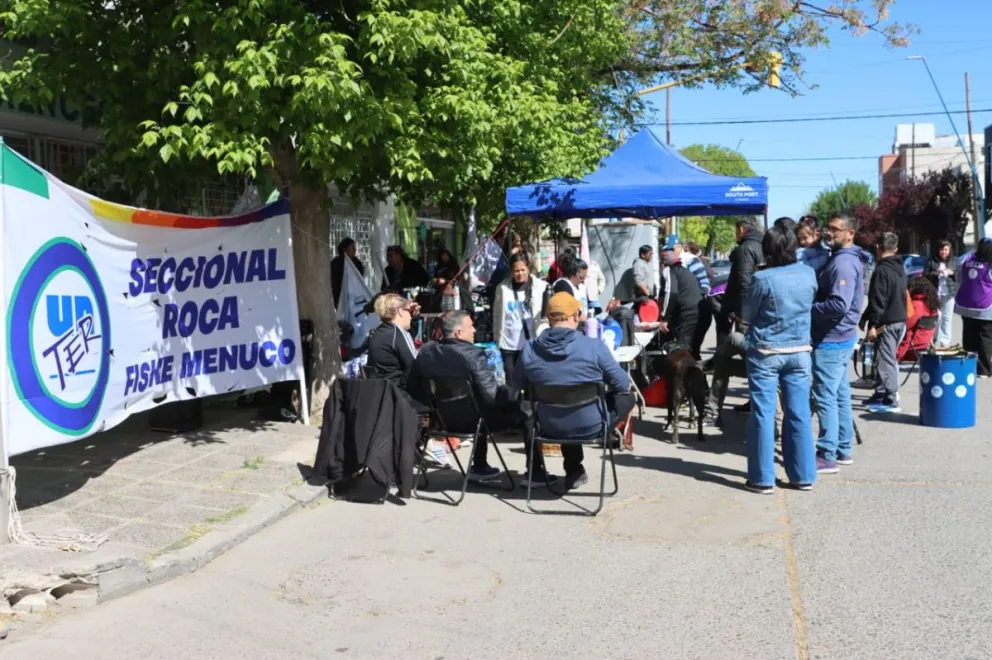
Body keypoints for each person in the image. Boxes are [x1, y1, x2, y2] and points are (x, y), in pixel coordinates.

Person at [512, 292, 635, 490]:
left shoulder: (530, 350)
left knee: (563, 406)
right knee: (628, 397)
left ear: (550, 319)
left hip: (550, 424)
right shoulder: (594, 347)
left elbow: (516, 386)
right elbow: (622, 385)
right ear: (575, 316)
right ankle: (576, 466)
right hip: (591, 424)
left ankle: (573, 469)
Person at [741, 224, 818, 494]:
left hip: (765, 351)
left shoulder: (763, 279)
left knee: (763, 414)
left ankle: (762, 479)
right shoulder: (808, 274)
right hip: (799, 351)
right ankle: (803, 475)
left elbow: (747, 314)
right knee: (798, 414)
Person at [408, 310, 526, 483]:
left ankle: (480, 465)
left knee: (475, 402)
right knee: (528, 414)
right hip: (473, 421)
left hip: (442, 421)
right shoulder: (473, 354)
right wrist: (515, 393)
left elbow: (415, 387)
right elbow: (492, 397)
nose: (475, 330)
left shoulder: (426, 352)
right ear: (459, 333)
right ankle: (535, 474)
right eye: (470, 326)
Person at [810, 214, 864, 474]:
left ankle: (826, 453)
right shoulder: (845, 258)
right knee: (840, 394)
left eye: (835, 229)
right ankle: (843, 448)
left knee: (825, 396)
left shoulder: (843, 263)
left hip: (832, 339)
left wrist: (808, 309)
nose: (829, 233)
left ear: (850, 233)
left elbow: (839, 305)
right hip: (842, 338)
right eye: (828, 228)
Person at [708, 217, 763, 417]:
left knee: (743, 359)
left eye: (735, 230)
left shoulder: (745, 249)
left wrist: (743, 314)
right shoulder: (761, 245)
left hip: (746, 316)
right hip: (756, 314)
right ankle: (753, 401)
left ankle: (714, 410)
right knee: (750, 360)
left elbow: (744, 283)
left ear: (741, 229)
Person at [861, 232, 907, 414]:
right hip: (899, 319)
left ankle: (891, 397)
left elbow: (878, 300)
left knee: (885, 360)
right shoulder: (900, 268)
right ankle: (880, 392)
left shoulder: (881, 271)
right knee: (883, 357)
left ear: (878, 248)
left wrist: (872, 324)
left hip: (886, 322)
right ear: (895, 249)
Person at [494, 253, 549, 379]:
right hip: (508, 343)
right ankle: (513, 399)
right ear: (511, 271)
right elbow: (497, 315)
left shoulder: (540, 287)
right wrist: (497, 338)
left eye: (522, 270)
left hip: (531, 343)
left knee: (531, 378)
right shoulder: (502, 288)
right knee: (511, 379)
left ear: (528, 268)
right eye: (516, 271)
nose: (520, 274)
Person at [955, 238, 992, 377]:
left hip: (965, 304)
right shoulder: (989, 264)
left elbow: (958, 276)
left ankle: (969, 367)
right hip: (985, 307)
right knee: (985, 338)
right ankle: (985, 369)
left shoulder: (967, 260)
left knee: (969, 337)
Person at [366, 293, 419, 389]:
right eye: (409, 311)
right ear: (400, 311)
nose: (410, 316)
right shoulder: (397, 333)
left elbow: (408, 337)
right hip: (398, 394)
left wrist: (414, 318)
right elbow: (415, 366)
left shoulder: (379, 331)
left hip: (381, 391)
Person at [658, 246, 702, 347]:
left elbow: (671, 293)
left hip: (686, 312)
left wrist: (664, 318)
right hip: (698, 310)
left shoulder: (669, 270)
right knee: (690, 347)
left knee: (683, 346)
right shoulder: (684, 271)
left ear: (663, 263)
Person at [924, 240, 960, 348]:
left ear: (949, 250)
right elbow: (925, 274)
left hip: (949, 293)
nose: (944, 252)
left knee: (947, 317)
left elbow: (960, 274)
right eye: (942, 249)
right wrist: (936, 273)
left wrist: (952, 273)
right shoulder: (932, 260)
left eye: (946, 250)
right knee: (936, 316)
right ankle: (933, 339)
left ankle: (945, 342)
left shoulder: (955, 260)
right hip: (935, 293)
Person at [897, 276, 940, 361]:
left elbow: (904, 326)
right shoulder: (932, 306)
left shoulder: (916, 305)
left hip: (909, 349)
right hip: (923, 347)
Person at [331, 237, 365, 308]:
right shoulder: (336, 263)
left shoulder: (357, 263)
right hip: (339, 297)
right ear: (345, 249)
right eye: (352, 247)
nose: (355, 250)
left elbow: (360, 280)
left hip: (354, 297)